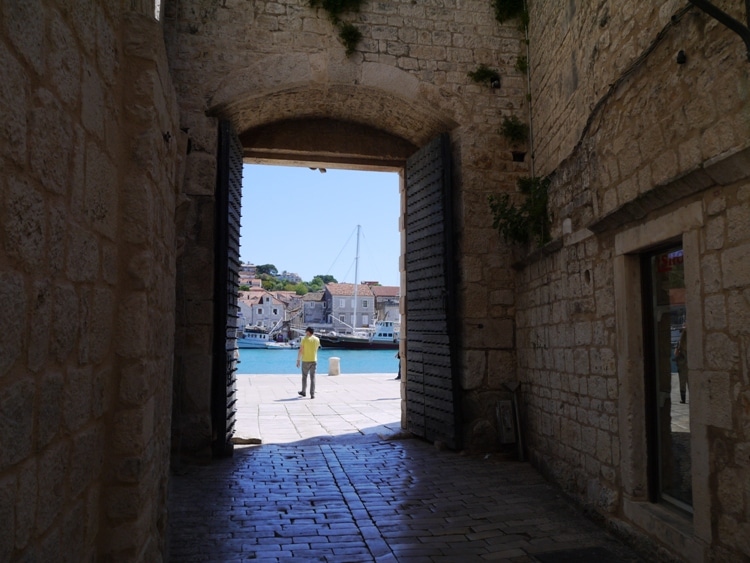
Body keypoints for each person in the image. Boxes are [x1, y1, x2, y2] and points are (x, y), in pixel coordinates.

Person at [296, 327, 321, 399]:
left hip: (305, 360)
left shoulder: (304, 339)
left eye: (306, 332)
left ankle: (303, 391)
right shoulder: (317, 339)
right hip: (314, 360)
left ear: (308, 332)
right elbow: (316, 349)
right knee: (313, 378)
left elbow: (301, 350)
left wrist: (298, 360)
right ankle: (312, 394)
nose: (305, 333)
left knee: (304, 377)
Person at [674, 327, 688, 403]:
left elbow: (676, 352)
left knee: (682, 383)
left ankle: (683, 399)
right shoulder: (692, 341)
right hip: (690, 364)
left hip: (682, 364)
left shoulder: (679, 342)